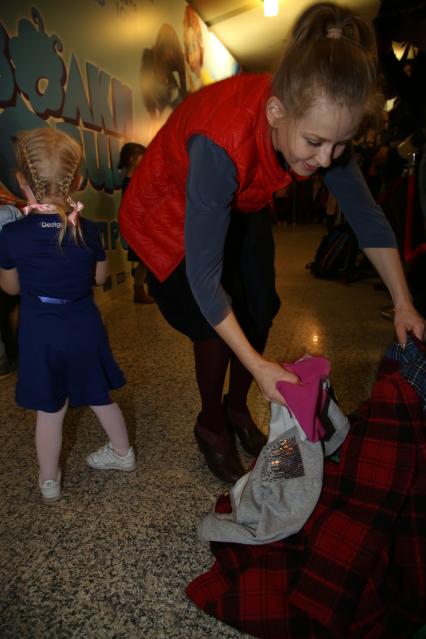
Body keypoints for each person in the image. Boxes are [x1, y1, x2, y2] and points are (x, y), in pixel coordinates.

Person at [119, 2, 426, 484]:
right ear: (276, 111)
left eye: (340, 144)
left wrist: (403, 302)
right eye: (315, 142)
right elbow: (204, 282)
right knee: (211, 320)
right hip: (166, 209)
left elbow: (367, 217)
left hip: (242, 195)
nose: (327, 160)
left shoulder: (320, 120)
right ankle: (211, 423)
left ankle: (237, 407)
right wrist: (259, 365)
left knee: (261, 303)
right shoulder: (221, 140)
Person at [0, 128, 136, 503]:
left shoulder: (12, 234)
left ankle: (49, 481)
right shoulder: (86, 229)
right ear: (76, 181)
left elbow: (10, 288)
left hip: (41, 334)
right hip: (84, 327)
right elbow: (100, 278)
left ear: (21, 180)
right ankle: (123, 452)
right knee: (98, 394)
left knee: (50, 409)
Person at [118, 142, 154, 304]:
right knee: (145, 260)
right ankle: (139, 290)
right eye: (142, 158)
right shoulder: (130, 182)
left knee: (146, 261)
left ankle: (143, 288)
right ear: (132, 159)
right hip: (138, 227)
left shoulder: (136, 180)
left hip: (142, 226)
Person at [0, 204, 22, 377]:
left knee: (9, 317)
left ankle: (14, 358)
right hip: (14, 270)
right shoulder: (11, 210)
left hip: (11, 270)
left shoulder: (8, 210)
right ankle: (14, 357)